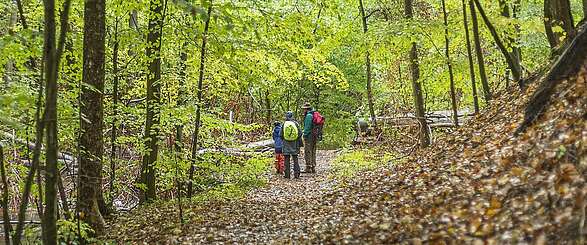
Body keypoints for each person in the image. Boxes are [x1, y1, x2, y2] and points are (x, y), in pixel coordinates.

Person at [280, 111, 303, 179]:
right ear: (292, 116)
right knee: (295, 159)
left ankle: (287, 174)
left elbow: (281, 135)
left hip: (286, 144)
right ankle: (297, 174)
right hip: (295, 144)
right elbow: (300, 133)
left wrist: (285, 139)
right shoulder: (295, 123)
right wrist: (296, 138)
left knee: (286, 159)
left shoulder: (284, 124)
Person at [302, 103, 317, 173]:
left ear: (306, 109)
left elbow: (307, 127)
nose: (303, 110)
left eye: (304, 109)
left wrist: (304, 134)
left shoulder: (308, 116)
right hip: (314, 135)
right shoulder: (313, 114)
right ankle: (313, 166)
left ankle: (308, 167)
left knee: (307, 151)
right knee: (313, 150)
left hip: (309, 136)